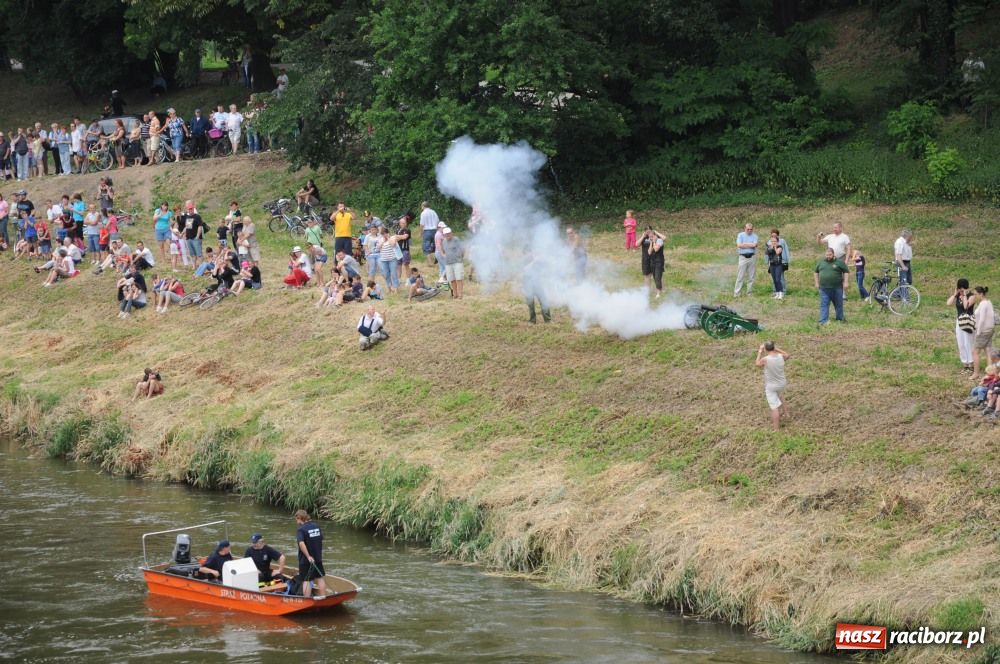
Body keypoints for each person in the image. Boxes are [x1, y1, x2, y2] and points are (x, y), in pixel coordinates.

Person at [755, 341, 789, 431]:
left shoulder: (766, 359)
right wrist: (776, 349)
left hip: (771, 387)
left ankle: (776, 429)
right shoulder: (781, 356)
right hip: (782, 383)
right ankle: (786, 414)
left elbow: (757, 363)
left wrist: (760, 351)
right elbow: (787, 355)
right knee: (780, 395)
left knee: (774, 408)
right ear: (774, 347)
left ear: (766, 349)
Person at [294, 510, 327, 598]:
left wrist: (308, 556)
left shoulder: (301, 529)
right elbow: (321, 539)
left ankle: (306, 600)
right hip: (318, 558)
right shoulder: (316, 526)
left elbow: (301, 543)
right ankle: (323, 597)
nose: (297, 522)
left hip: (306, 560)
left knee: (307, 580)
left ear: (299, 518)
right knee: (320, 577)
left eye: (296, 520)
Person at [814, 247, 849, 324]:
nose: (828, 256)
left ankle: (840, 319)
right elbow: (816, 272)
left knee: (838, 304)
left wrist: (846, 282)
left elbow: (846, 271)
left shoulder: (839, 262)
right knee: (824, 304)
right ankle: (823, 321)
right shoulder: (821, 262)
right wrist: (816, 283)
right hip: (824, 288)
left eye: (830, 255)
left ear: (833, 254)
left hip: (837, 288)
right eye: (827, 255)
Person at [948, 279, 976, 374]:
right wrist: (955, 294)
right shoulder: (958, 295)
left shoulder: (971, 296)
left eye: (962, 288)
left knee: (968, 342)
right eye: (959, 288)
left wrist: (964, 295)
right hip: (959, 321)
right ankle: (965, 364)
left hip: (968, 321)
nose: (961, 290)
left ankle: (971, 364)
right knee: (961, 343)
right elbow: (948, 303)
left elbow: (965, 307)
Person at [970, 286, 995, 380]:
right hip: (989, 330)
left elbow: (982, 319)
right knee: (988, 350)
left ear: (981, 294)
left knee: (975, 351)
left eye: (975, 294)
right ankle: (990, 373)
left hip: (983, 331)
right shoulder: (988, 302)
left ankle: (976, 373)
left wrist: (978, 332)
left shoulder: (984, 304)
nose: (975, 296)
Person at [523, 253, 551, 323]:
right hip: (528, 281)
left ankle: (547, 319)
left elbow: (545, 264)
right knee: (530, 303)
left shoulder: (538, 257)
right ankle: (532, 320)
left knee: (543, 300)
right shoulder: (527, 260)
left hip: (537, 282)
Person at [639, 226, 665, 298]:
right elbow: (649, 252)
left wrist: (654, 240)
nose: (650, 236)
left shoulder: (659, 240)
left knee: (657, 277)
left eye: (651, 235)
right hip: (652, 261)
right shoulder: (650, 241)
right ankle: (654, 291)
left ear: (654, 235)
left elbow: (656, 249)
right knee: (653, 276)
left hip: (659, 261)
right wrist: (651, 243)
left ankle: (659, 293)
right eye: (649, 235)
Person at [178, 201, 206, 268]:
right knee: (192, 254)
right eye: (189, 209)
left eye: (191, 209)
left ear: (193, 208)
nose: (190, 210)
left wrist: (197, 236)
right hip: (188, 238)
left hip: (195, 238)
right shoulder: (187, 217)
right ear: (187, 209)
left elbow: (200, 226)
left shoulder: (197, 216)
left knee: (199, 254)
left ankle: (202, 266)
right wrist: (182, 233)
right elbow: (187, 226)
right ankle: (194, 266)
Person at [734, 222, 758, 297]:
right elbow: (739, 245)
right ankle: (737, 293)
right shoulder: (740, 235)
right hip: (743, 257)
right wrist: (749, 245)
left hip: (752, 257)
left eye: (751, 229)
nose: (749, 231)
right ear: (745, 229)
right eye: (748, 229)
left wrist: (744, 244)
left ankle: (749, 293)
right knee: (740, 276)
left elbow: (755, 245)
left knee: (751, 277)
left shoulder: (755, 236)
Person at [441, 227, 465, 298]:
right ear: (444, 235)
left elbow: (462, 249)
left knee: (459, 278)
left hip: (457, 262)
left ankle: (460, 294)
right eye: (446, 234)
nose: (447, 235)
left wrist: (460, 257)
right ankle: (455, 294)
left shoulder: (456, 240)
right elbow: (443, 250)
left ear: (451, 233)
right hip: (448, 263)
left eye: (448, 233)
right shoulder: (444, 241)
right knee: (452, 279)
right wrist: (444, 255)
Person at [765, 229, 784, 300]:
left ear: (777, 241)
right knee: (774, 280)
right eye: (772, 241)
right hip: (772, 265)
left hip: (778, 265)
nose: (773, 242)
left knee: (778, 279)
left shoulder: (780, 247)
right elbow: (766, 253)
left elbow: (777, 253)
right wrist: (769, 247)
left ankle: (781, 293)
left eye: (775, 241)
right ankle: (777, 292)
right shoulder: (769, 248)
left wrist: (775, 246)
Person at [419, 201, 440, 265]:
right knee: (436, 245)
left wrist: (421, 232)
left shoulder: (423, 213)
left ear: (423, 206)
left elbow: (422, 224)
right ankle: (438, 258)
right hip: (434, 230)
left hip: (427, 231)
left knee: (426, 247)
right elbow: (438, 221)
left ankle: (430, 263)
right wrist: (436, 229)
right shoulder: (433, 212)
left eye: (421, 206)